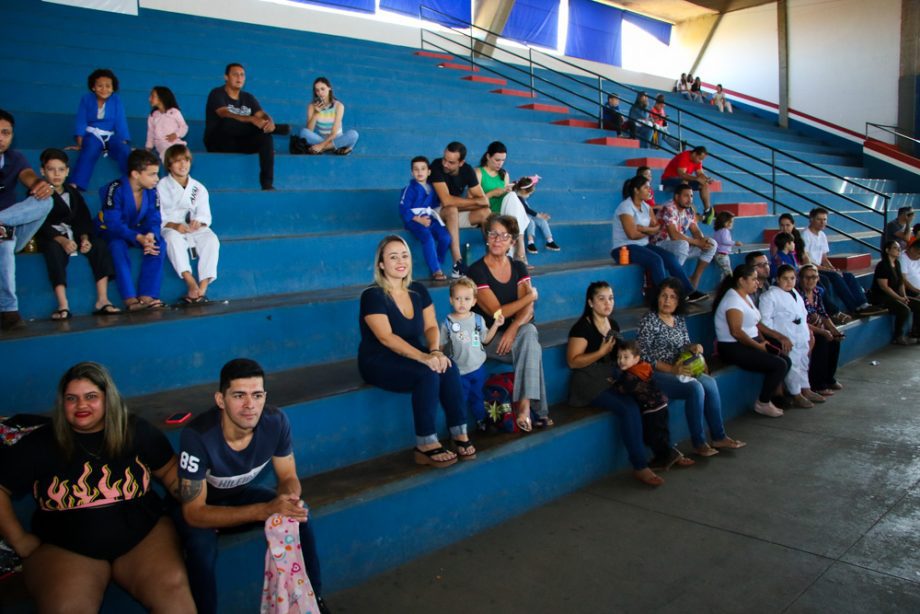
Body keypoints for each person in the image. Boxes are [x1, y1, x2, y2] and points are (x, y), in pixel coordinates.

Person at [0, 362, 196, 613]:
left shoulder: (135, 430)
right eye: (72, 398)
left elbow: (169, 470)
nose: (81, 405)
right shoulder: (40, 443)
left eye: (91, 397)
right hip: (67, 546)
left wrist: (194, 499)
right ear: (62, 403)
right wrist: (19, 539)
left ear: (108, 399)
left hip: (142, 536)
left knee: (176, 599)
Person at [177, 358, 328, 614]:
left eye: (257, 395)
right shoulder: (197, 436)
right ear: (220, 400)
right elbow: (193, 512)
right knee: (201, 549)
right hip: (203, 509)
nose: (250, 405)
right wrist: (264, 510)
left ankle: (313, 602)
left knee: (301, 515)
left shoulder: (275, 421)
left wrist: (288, 500)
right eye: (239, 395)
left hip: (240, 495)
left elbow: (288, 476)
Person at [358, 235, 474, 466]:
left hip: (413, 351)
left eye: (404, 255)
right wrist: (424, 358)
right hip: (378, 358)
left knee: (447, 366)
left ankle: (459, 432)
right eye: (393, 257)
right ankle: (425, 443)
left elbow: (431, 326)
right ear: (381, 264)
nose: (400, 261)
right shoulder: (372, 295)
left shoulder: (418, 289)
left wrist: (435, 351)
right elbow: (386, 338)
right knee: (428, 373)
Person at [565, 281, 664, 486]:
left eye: (610, 298)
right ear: (590, 302)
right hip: (588, 381)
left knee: (650, 395)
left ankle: (662, 450)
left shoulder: (614, 325)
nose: (607, 303)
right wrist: (600, 353)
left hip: (611, 376)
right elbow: (573, 361)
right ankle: (640, 465)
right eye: (601, 299)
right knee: (628, 408)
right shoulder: (582, 327)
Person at [637, 278, 746, 456]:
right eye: (663, 296)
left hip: (681, 369)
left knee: (709, 383)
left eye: (672, 297)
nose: (667, 300)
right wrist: (672, 370)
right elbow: (644, 357)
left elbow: (684, 344)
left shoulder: (678, 319)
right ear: (657, 297)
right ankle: (699, 442)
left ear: (678, 301)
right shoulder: (649, 321)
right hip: (658, 373)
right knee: (695, 388)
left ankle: (719, 436)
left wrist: (694, 347)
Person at [468, 214, 550, 432]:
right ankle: (538, 411)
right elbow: (496, 313)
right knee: (533, 345)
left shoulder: (518, 267)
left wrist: (513, 328)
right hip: (485, 339)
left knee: (529, 333)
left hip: (510, 338)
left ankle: (523, 406)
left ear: (512, 242)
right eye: (493, 234)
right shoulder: (476, 271)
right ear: (486, 237)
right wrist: (530, 296)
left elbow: (528, 311)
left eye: (504, 236)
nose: (497, 239)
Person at [36, 148, 118, 320]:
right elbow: (39, 224)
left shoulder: (72, 193)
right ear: (42, 171)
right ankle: (63, 304)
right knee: (53, 251)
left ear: (67, 171)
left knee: (100, 246)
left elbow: (83, 219)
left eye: (61, 170)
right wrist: (61, 241)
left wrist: (84, 239)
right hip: (50, 236)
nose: (56, 174)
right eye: (51, 170)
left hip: (73, 234)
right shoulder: (38, 193)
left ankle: (102, 299)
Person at [713, 264, 792, 418]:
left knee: (785, 360)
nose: (757, 282)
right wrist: (759, 347)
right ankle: (763, 403)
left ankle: (774, 396)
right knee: (779, 364)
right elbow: (736, 332)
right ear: (742, 281)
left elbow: (755, 323)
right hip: (732, 347)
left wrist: (773, 338)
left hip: (749, 342)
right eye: (754, 279)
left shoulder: (745, 295)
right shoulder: (732, 300)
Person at [0, 108, 54, 331]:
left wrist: (39, 185)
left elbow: (28, 176)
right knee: (4, 243)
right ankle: (9, 310)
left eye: (6, 133)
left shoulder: (15, 158)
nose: (1, 138)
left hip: (12, 225)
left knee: (47, 200)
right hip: (6, 237)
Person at [612, 175, 706, 302]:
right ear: (636, 190)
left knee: (671, 259)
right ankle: (663, 298)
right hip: (624, 248)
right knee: (656, 260)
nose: (649, 190)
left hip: (643, 245)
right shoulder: (625, 207)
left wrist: (643, 229)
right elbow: (632, 235)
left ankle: (688, 291)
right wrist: (648, 230)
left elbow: (657, 227)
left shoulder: (646, 207)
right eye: (646, 187)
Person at [95, 149, 166, 311]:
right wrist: (137, 237)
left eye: (157, 174)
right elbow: (113, 223)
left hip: (137, 230)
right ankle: (129, 298)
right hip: (111, 231)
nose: (157, 178)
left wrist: (150, 234)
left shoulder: (152, 191)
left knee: (159, 244)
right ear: (135, 174)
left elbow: (154, 218)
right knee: (117, 246)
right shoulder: (114, 189)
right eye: (152, 174)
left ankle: (147, 295)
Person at [611, 340, 694, 471]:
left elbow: (623, 389)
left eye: (626, 357)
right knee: (662, 434)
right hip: (661, 404)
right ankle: (672, 455)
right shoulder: (643, 366)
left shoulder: (630, 375)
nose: (621, 360)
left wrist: (613, 384)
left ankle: (664, 459)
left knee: (654, 436)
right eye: (619, 357)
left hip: (652, 409)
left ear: (636, 358)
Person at [204, 63, 283, 191]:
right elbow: (224, 113)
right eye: (235, 74)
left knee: (265, 137)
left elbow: (262, 114)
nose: (239, 78)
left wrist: (270, 122)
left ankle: (267, 184)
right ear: (226, 77)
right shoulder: (217, 93)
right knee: (228, 122)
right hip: (219, 142)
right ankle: (278, 129)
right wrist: (252, 119)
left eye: (242, 75)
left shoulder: (248, 97)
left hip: (241, 142)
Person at [157, 144, 220, 303]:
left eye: (186, 160)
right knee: (172, 239)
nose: (183, 164)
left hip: (192, 227)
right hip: (170, 226)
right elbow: (159, 215)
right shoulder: (161, 186)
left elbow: (204, 213)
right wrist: (174, 225)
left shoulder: (198, 188)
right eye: (177, 161)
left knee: (211, 240)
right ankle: (191, 282)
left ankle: (202, 288)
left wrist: (198, 222)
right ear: (169, 165)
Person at [440, 277, 504, 431]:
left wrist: (496, 325)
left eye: (467, 299)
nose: (462, 303)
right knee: (460, 400)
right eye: (458, 298)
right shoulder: (447, 323)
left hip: (478, 368)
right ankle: (458, 429)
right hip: (459, 371)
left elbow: (485, 339)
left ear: (474, 301)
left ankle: (482, 421)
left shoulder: (478, 320)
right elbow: (440, 346)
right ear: (451, 300)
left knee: (479, 397)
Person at [760, 264, 824, 408]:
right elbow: (765, 322)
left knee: (803, 362)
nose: (789, 282)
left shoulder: (795, 293)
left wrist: (808, 335)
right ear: (777, 279)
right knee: (793, 365)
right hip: (785, 338)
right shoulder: (769, 296)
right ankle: (796, 394)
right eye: (785, 279)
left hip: (801, 335)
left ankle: (806, 388)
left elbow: (802, 315)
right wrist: (778, 338)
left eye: (792, 278)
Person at [802, 208, 882, 316]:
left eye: (824, 219)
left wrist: (833, 268)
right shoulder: (805, 235)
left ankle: (863, 304)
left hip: (820, 267)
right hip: (811, 269)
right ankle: (853, 308)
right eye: (819, 219)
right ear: (811, 219)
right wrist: (830, 271)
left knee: (848, 276)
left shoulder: (822, 235)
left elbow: (824, 258)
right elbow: (807, 261)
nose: (822, 222)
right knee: (835, 276)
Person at [429, 142, 490, 278]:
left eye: (451, 162)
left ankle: (493, 257)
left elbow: (484, 201)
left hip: (454, 213)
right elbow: (446, 200)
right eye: (444, 159)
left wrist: (477, 203)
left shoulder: (467, 170)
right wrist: (475, 202)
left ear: (461, 163)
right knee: (451, 209)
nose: (445, 164)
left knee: (485, 213)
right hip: (435, 212)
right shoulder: (436, 166)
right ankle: (458, 264)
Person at [68, 68, 131, 191]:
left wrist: (124, 141)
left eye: (108, 86)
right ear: (93, 87)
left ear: (113, 88)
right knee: (90, 149)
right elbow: (81, 121)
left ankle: (132, 180)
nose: (104, 89)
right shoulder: (86, 99)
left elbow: (120, 121)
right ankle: (76, 184)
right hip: (93, 134)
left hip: (110, 135)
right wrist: (80, 143)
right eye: (100, 86)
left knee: (124, 150)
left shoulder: (116, 100)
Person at [650, 183, 717, 291]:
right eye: (686, 196)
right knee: (683, 244)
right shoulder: (669, 208)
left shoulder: (689, 210)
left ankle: (695, 278)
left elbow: (695, 230)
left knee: (712, 244)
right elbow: (674, 235)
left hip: (677, 246)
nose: (690, 199)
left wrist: (702, 241)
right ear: (677, 197)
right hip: (660, 244)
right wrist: (697, 242)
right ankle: (677, 283)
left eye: (691, 196)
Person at [399, 155, 451, 281]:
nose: (419, 172)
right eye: (416, 169)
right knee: (428, 237)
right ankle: (436, 270)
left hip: (429, 218)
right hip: (414, 221)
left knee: (446, 237)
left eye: (423, 169)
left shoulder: (432, 188)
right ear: (412, 173)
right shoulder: (410, 189)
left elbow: (435, 204)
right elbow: (403, 208)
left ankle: (436, 260)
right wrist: (418, 219)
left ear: (429, 172)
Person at [798, 264, 844, 394]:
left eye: (814, 277)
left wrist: (834, 330)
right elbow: (800, 321)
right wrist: (823, 331)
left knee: (835, 339)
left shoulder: (817, 292)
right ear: (800, 279)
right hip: (802, 329)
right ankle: (817, 384)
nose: (811, 280)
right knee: (822, 340)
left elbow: (823, 314)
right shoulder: (797, 294)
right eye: (807, 277)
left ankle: (829, 378)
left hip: (816, 327)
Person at [868, 240, 920, 345]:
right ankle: (898, 336)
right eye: (896, 248)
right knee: (904, 310)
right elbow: (884, 287)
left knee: (918, 305)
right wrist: (899, 298)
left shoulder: (897, 264)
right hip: (882, 297)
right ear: (887, 250)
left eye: (899, 248)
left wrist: (904, 296)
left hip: (896, 296)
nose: (899, 250)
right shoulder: (882, 265)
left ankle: (916, 332)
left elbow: (901, 283)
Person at [299, 76, 359, 155]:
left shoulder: (339, 106)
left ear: (329, 88)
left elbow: (334, 133)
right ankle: (338, 148)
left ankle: (324, 148)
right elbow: (309, 130)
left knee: (353, 134)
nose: (320, 93)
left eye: (323, 89)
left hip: (337, 138)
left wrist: (321, 146)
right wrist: (316, 113)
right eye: (317, 90)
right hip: (321, 138)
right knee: (303, 132)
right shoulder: (311, 106)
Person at [661, 146, 714, 224]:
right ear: (694, 154)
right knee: (685, 182)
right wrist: (696, 178)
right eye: (699, 158)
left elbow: (700, 173)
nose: (700, 161)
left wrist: (706, 179)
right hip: (669, 180)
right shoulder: (684, 156)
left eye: (702, 159)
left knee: (704, 184)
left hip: (682, 181)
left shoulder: (697, 161)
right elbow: (681, 174)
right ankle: (689, 210)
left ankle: (708, 210)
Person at [515, 175, 560, 255]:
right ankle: (530, 243)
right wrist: (538, 215)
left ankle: (550, 241)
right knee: (531, 222)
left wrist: (540, 216)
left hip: (528, 215)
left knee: (542, 221)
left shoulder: (522, 193)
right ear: (524, 192)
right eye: (529, 194)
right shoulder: (517, 197)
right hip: (521, 217)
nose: (529, 195)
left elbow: (530, 180)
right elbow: (527, 210)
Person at [146, 85, 188, 160]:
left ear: (161, 98)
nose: (149, 99)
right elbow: (150, 132)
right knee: (168, 154)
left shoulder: (174, 112)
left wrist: (176, 134)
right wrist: (148, 147)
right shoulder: (153, 115)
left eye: (152, 96)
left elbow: (184, 127)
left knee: (183, 152)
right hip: (161, 143)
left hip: (175, 142)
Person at [475, 141, 511, 214]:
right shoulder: (478, 173)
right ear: (488, 156)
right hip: (484, 215)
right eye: (497, 160)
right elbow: (473, 202)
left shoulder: (504, 174)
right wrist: (491, 193)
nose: (500, 163)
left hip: (502, 214)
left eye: (503, 160)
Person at [712, 210, 741, 278]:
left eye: (731, 222)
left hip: (719, 254)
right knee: (728, 274)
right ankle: (728, 285)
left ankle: (723, 285)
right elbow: (725, 241)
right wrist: (735, 243)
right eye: (729, 222)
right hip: (722, 255)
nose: (731, 224)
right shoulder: (725, 231)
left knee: (724, 273)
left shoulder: (718, 231)